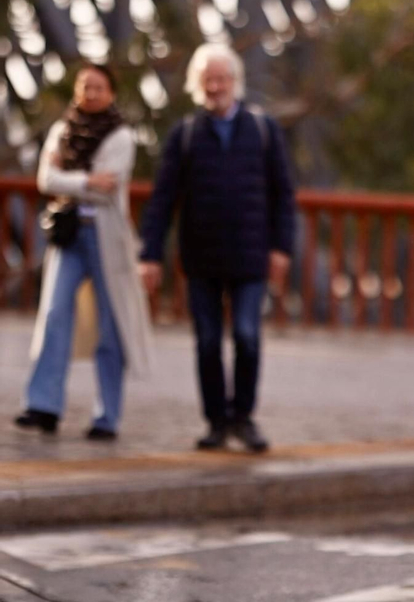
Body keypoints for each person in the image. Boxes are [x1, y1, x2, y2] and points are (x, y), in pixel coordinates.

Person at [138, 44, 296, 453]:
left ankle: (243, 417)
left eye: (221, 78)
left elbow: (283, 194)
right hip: (201, 257)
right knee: (207, 342)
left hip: (250, 256)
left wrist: (282, 247)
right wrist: (150, 254)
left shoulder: (263, 130)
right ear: (198, 84)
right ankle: (216, 421)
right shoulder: (186, 135)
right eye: (208, 79)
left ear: (235, 82)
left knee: (246, 335)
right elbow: (162, 199)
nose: (215, 86)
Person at [15, 63, 152, 439]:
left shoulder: (121, 136)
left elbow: (108, 187)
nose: (90, 93)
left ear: (111, 92)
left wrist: (71, 180)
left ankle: (107, 415)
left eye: (98, 87)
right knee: (56, 314)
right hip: (69, 234)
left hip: (107, 237)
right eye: (85, 86)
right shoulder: (62, 130)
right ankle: (43, 405)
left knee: (112, 325)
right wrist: (87, 179)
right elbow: (46, 180)